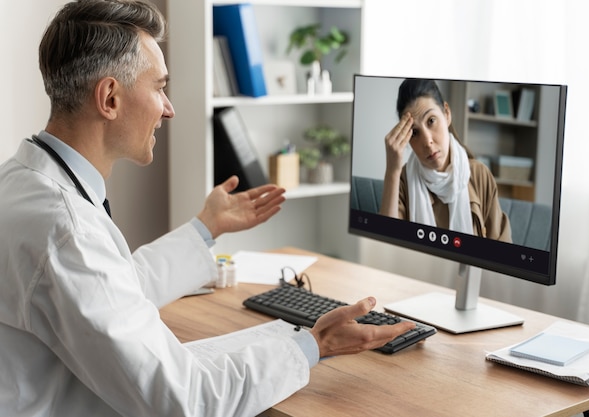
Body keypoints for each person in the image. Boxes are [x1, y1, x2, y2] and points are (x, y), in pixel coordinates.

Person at [0, 1, 416, 416]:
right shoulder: (67, 230)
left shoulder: (20, 182)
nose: (169, 108)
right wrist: (313, 345)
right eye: (159, 87)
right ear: (110, 98)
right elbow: (187, 401)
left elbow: (111, 287)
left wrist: (206, 226)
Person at [380, 78, 512, 241]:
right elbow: (385, 247)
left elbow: (502, 254)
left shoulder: (479, 175)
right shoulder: (402, 180)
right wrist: (392, 170)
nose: (427, 141)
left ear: (447, 114)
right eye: (414, 133)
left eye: (431, 121)